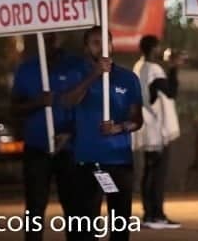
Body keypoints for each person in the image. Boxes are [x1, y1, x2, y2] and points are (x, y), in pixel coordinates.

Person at [61, 27, 143, 241]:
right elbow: (68, 101)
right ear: (86, 47)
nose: (101, 47)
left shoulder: (128, 78)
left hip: (119, 161)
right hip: (86, 161)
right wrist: (94, 75)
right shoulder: (77, 74)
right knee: (84, 227)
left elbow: (137, 120)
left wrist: (119, 127)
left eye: (105, 42)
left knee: (119, 227)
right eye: (95, 43)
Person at [11, 32, 83, 241]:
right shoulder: (27, 69)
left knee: (74, 208)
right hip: (37, 148)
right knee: (34, 207)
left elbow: (88, 107)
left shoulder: (77, 66)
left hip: (69, 148)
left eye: (55, 35)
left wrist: (70, 134)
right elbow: (14, 108)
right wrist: (37, 103)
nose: (52, 40)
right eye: (47, 36)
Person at [132, 35, 182, 229]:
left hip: (145, 125)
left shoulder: (138, 67)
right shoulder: (154, 69)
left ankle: (149, 214)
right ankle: (156, 215)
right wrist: (174, 67)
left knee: (149, 172)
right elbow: (171, 92)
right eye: (158, 47)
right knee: (157, 174)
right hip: (157, 128)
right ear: (153, 49)